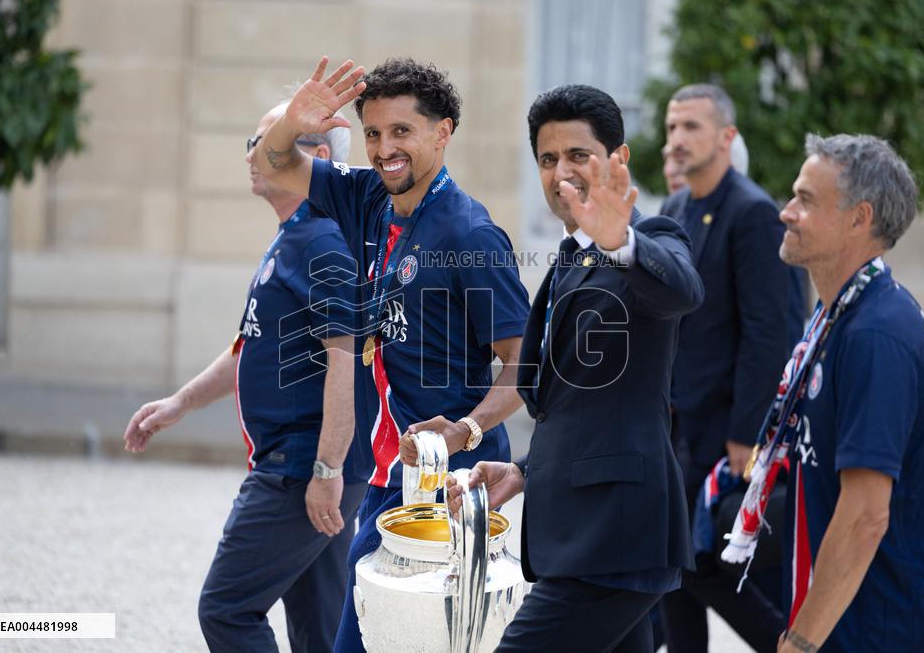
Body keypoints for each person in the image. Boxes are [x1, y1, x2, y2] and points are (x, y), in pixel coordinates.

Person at [254, 56, 530, 653]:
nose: (384, 149)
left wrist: (466, 429)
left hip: (453, 487)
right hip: (386, 478)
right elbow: (270, 162)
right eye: (374, 133)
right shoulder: (368, 200)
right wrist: (292, 122)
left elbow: (523, 364)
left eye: (402, 131)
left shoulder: (470, 235)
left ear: (443, 132)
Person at [448, 84, 703, 652]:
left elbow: (683, 290)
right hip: (583, 535)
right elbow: (576, 408)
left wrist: (623, 241)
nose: (561, 171)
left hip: (614, 540)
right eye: (547, 158)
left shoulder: (650, 241)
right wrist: (523, 471)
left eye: (578, 155)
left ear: (618, 160)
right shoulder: (567, 260)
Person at [123, 101, 368, 652]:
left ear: (318, 158)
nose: (255, 156)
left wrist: (326, 469)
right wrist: (180, 404)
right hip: (314, 466)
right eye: (253, 143)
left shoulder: (321, 240)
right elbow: (248, 347)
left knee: (228, 610)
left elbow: (344, 358)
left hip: (302, 468)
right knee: (320, 632)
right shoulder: (294, 237)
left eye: (271, 144)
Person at [765, 133, 924, 652]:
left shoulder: (875, 335)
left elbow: (868, 514)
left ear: (858, 217)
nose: (786, 212)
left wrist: (801, 642)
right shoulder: (844, 316)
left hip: (882, 628)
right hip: (858, 620)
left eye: (805, 199)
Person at [658, 84, 805, 653]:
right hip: (673, 423)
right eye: (672, 127)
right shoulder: (674, 209)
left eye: (691, 127)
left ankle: (787, 644)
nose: (677, 139)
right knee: (673, 565)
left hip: (726, 431)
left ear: (726, 137)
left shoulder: (754, 213)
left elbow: (771, 333)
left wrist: (748, 433)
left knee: (699, 563)